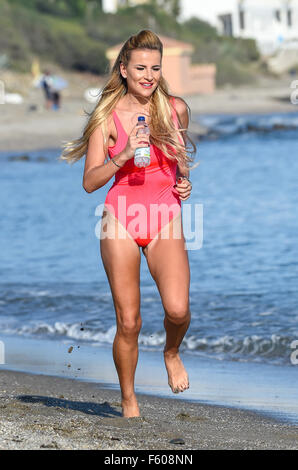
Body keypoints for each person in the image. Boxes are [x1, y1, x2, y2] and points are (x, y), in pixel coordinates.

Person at [60, 30, 197, 418]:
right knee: (130, 321)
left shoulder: (176, 109)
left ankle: (171, 352)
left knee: (178, 310)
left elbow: (180, 164)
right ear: (124, 69)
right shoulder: (106, 115)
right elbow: (89, 182)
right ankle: (128, 399)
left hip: (163, 214)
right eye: (140, 67)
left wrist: (184, 182)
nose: (148, 75)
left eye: (155, 67)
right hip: (120, 216)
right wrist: (121, 154)